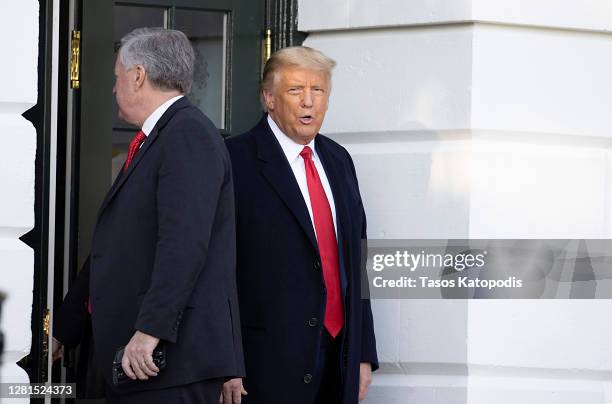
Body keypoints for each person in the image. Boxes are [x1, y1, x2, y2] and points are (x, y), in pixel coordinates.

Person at [53, 27, 244, 403]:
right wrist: (67, 325)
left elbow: (184, 245)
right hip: (137, 360)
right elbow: (117, 245)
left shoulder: (187, 135)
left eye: (117, 77)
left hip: (164, 363)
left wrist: (149, 331)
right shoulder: (160, 138)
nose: (113, 88)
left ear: (138, 75)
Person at [222, 46, 378, 404]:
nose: (308, 102)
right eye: (295, 90)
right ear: (269, 98)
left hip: (340, 355)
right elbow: (216, 270)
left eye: (318, 90)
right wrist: (225, 360)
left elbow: (358, 260)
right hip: (265, 362)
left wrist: (364, 352)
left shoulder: (339, 160)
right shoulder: (234, 160)